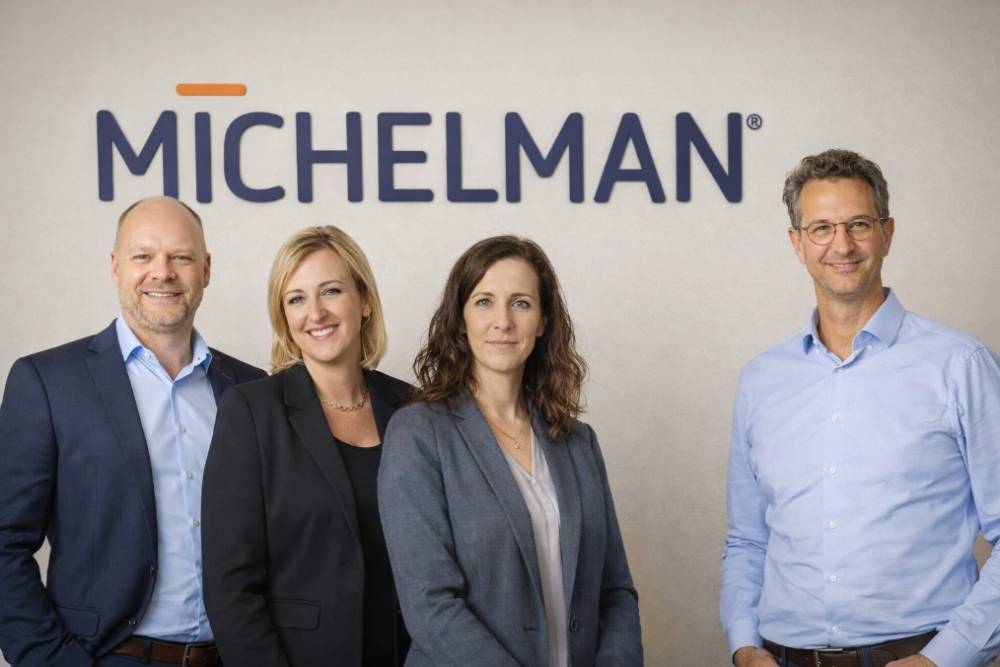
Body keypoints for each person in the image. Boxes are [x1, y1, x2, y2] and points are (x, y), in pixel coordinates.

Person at [721, 149, 1000, 667]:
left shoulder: (961, 366)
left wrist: (944, 659)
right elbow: (747, 539)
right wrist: (743, 645)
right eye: (821, 228)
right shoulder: (761, 380)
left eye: (858, 224)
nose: (842, 245)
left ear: (887, 233)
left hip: (919, 655)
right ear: (797, 243)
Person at [0, 197, 265, 667]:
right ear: (115, 267)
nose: (162, 272)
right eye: (143, 256)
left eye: (180, 257)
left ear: (206, 269)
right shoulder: (47, 382)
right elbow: (4, 542)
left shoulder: (251, 389)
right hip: (106, 657)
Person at [378, 236, 642, 667]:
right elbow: (430, 602)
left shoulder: (579, 442)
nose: (503, 321)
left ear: (542, 321)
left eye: (521, 303)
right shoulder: (418, 434)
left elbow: (615, 592)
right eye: (484, 302)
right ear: (460, 318)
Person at [202, 225, 411, 667]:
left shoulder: (413, 408)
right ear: (283, 317)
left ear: (365, 301)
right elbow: (230, 586)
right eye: (296, 299)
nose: (315, 313)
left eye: (331, 291)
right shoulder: (251, 412)